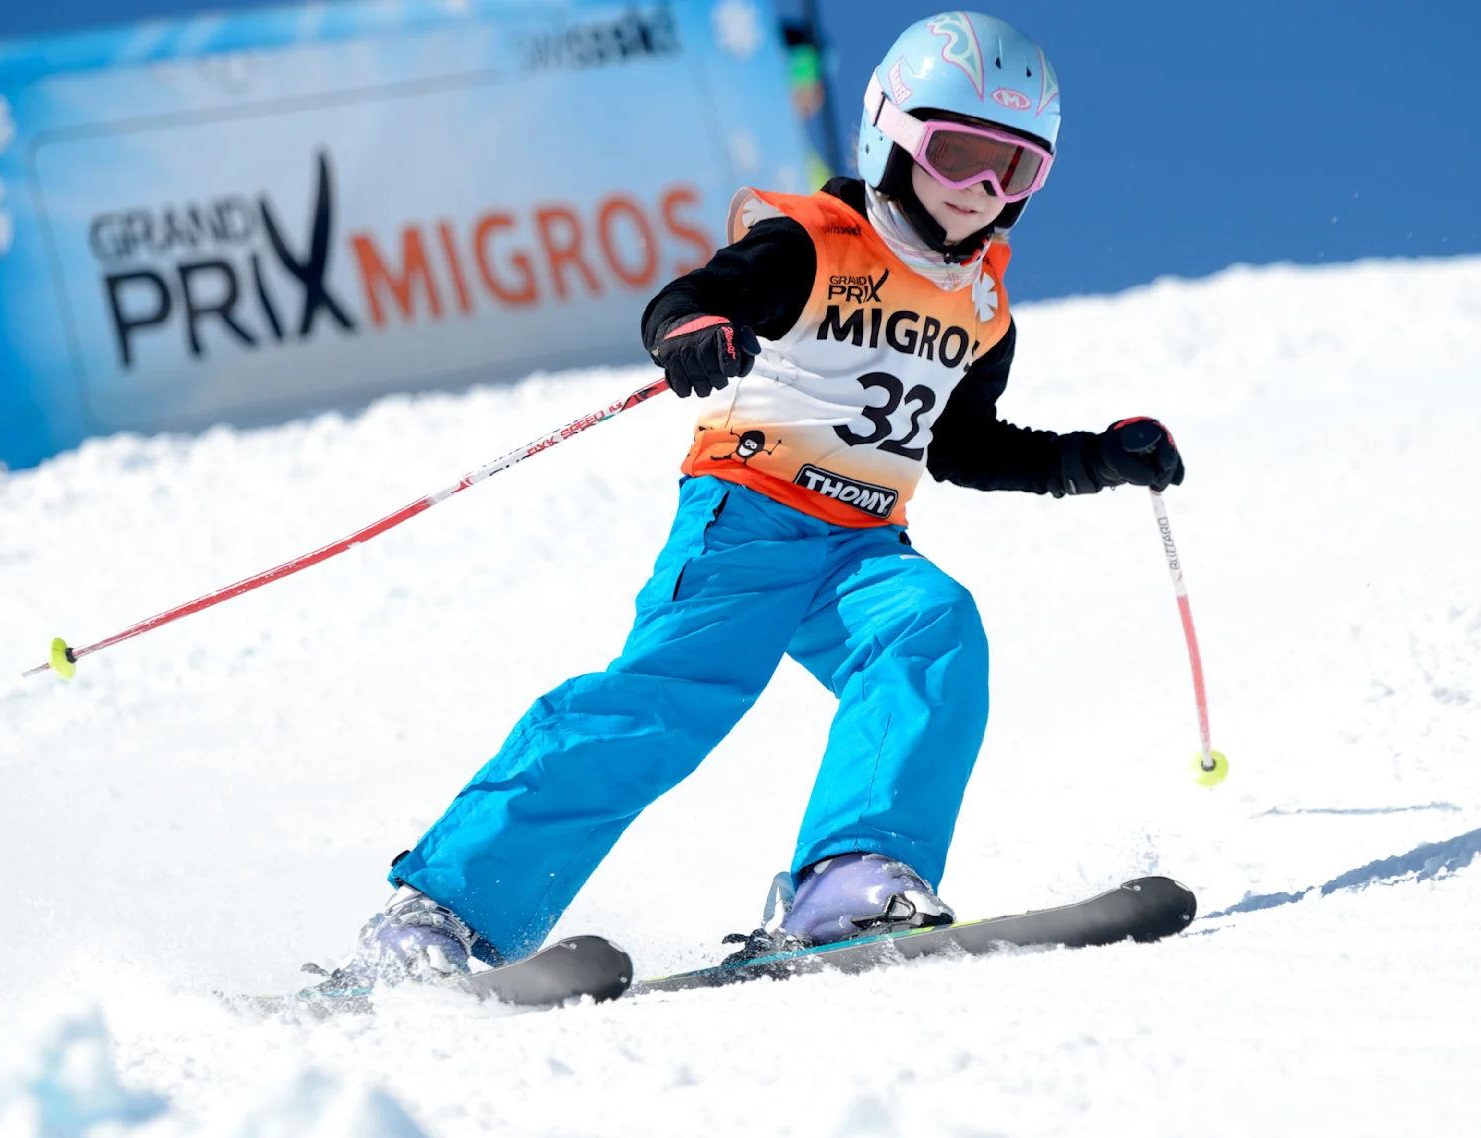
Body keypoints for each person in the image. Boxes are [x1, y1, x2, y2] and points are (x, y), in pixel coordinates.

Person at [336, 11, 1185, 982]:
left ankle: (850, 874)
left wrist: (1095, 458)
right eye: (959, 156)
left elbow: (966, 446)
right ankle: (438, 915)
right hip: (750, 521)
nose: (983, 192)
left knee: (932, 627)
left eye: (1015, 170)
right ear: (891, 136)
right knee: (661, 708)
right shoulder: (816, 242)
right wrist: (696, 329)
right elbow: (688, 300)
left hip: (863, 548)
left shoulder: (982, 306)